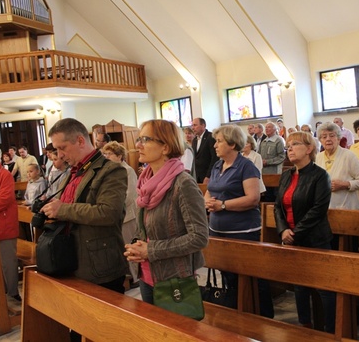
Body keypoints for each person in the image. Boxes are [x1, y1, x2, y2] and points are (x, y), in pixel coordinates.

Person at [124, 120, 208, 312]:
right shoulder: (146, 182)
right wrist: (137, 245)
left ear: (165, 147)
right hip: (147, 273)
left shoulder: (183, 183)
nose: (138, 145)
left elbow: (199, 237)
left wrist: (151, 250)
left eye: (145, 139)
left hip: (173, 276)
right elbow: (146, 227)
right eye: (139, 139)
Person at [39, 118, 128, 293]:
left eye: (62, 148)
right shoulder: (73, 171)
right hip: (72, 260)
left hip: (99, 265)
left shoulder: (110, 170)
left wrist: (62, 209)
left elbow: (109, 213)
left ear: (80, 141)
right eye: (56, 149)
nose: (60, 154)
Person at [205, 124, 274, 317]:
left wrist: (223, 205)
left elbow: (253, 198)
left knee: (253, 277)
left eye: (219, 141)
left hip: (243, 231)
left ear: (233, 144)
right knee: (228, 275)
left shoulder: (246, 166)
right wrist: (207, 202)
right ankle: (240, 314)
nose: (215, 146)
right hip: (218, 228)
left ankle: (264, 317)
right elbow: (210, 190)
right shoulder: (218, 165)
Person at [274, 131, 336, 333]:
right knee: (299, 286)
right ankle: (304, 326)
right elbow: (277, 207)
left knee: (324, 287)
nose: (289, 148)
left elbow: (318, 210)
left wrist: (294, 233)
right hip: (291, 238)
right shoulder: (287, 175)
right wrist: (283, 230)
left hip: (315, 238)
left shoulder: (320, 175)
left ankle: (331, 330)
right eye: (288, 146)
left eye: (295, 144)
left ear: (309, 149)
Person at [102, 141, 139, 288]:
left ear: (119, 155)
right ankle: (127, 275)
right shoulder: (110, 171)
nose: (106, 157)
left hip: (127, 215)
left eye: (109, 154)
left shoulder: (127, 170)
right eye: (105, 154)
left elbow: (129, 195)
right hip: (116, 215)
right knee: (121, 248)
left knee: (130, 246)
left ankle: (137, 278)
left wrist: (114, 206)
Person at [315, 122, 359, 209]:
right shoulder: (318, 157)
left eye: (332, 135)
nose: (328, 139)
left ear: (339, 138)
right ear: (320, 140)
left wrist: (345, 184)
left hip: (347, 209)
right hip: (325, 209)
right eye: (324, 137)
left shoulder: (349, 156)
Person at [0, 145, 21, 302]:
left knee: (7, 262)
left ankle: (12, 294)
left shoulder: (4, 175)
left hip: (3, 224)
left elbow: (3, 200)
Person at [259, 122, 286, 202]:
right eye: (266, 127)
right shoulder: (264, 141)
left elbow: (281, 157)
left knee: (275, 194)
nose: (267, 129)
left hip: (274, 172)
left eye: (269, 127)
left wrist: (268, 162)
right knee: (267, 194)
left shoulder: (278, 140)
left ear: (275, 129)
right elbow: (259, 154)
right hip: (264, 172)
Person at [191, 117, 217, 183]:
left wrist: (209, 175)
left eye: (195, 125)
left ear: (203, 125)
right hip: (197, 176)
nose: (193, 128)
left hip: (208, 175)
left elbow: (214, 158)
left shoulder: (210, 137)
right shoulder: (194, 140)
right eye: (192, 125)